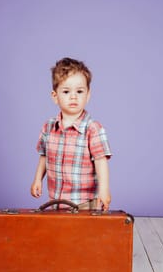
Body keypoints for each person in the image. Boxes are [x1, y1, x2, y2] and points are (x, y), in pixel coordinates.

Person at [31, 57, 112, 210]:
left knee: (83, 234)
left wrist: (104, 190)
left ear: (87, 95)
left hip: (84, 203)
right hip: (56, 200)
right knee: (59, 233)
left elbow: (101, 162)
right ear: (55, 96)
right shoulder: (49, 127)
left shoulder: (93, 129)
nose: (73, 96)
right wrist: (37, 180)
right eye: (66, 91)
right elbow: (44, 155)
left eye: (79, 91)